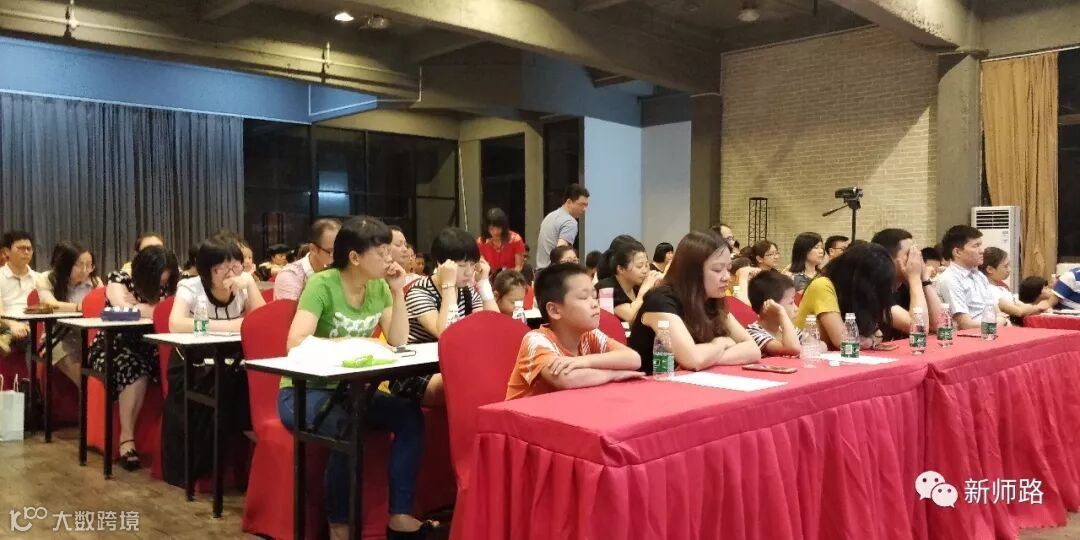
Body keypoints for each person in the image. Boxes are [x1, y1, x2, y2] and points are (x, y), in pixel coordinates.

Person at [278, 216, 431, 540]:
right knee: (347, 429)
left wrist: (397, 291)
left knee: (409, 415)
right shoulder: (322, 284)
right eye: (382, 253)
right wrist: (356, 343)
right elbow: (295, 342)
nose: (390, 259)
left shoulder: (378, 286)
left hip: (351, 390)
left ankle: (399, 514)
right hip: (304, 392)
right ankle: (339, 525)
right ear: (354, 257)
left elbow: (398, 339)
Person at [162, 235, 266, 486]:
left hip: (233, 362)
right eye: (223, 268)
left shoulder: (243, 285)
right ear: (207, 270)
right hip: (193, 365)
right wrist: (232, 325)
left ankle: (262, 451)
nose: (231, 273)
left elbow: (263, 321)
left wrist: (251, 286)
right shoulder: (190, 287)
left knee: (248, 385)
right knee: (230, 388)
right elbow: (176, 323)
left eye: (236, 266)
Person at [87, 245, 178, 470]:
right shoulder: (119, 280)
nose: (162, 284)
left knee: (179, 367)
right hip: (115, 346)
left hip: (154, 346)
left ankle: (174, 443)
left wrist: (144, 307)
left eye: (165, 280)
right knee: (135, 368)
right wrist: (154, 308)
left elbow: (175, 312)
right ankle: (127, 439)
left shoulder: (173, 285)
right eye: (158, 278)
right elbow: (123, 310)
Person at [628, 230, 760, 373]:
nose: (726, 277)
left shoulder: (712, 299)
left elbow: (753, 350)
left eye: (728, 269)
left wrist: (708, 359)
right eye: (717, 270)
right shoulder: (661, 301)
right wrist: (721, 343)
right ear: (692, 271)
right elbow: (692, 359)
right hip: (652, 383)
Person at [506, 263, 642, 400]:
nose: (595, 304)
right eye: (583, 298)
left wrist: (583, 361)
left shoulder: (589, 335)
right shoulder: (536, 340)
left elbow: (634, 359)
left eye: (594, 297)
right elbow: (567, 379)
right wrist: (615, 374)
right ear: (554, 310)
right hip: (521, 413)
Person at [400, 227, 499, 406]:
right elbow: (446, 334)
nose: (469, 272)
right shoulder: (419, 292)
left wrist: (484, 283)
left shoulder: (467, 291)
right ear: (441, 264)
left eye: (472, 264)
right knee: (468, 382)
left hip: (456, 364)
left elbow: (494, 328)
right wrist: (448, 285)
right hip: (419, 371)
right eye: (461, 266)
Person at [795, 242, 896, 350]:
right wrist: (871, 341)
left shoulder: (851, 294)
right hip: (810, 356)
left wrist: (870, 339)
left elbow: (878, 334)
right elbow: (843, 342)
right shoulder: (822, 285)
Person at [35, 241, 104, 386]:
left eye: (89, 265)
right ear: (66, 264)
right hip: (59, 337)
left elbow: (103, 307)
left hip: (89, 337)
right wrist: (82, 307)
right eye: (79, 265)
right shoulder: (48, 278)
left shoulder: (95, 282)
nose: (85, 270)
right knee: (86, 381)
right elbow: (50, 305)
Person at [870, 228, 945, 340]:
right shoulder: (875, 290)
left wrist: (924, 279)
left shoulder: (907, 286)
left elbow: (941, 324)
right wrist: (915, 279)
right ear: (888, 259)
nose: (916, 259)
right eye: (909, 254)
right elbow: (919, 330)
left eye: (916, 254)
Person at [935, 225, 1008, 330]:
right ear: (957, 252)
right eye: (975, 246)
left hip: (992, 330)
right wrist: (998, 322)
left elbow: (996, 311)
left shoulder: (980, 276)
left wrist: (1003, 321)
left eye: (980, 245)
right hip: (972, 335)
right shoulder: (950, 279)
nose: (982, 251)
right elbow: (965, 324)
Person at [594, 240, 663, 323]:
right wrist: (643, 292)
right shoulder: (605, 289)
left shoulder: (636, 286)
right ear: (621, 269)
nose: (645, 270)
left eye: (646, 265)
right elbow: (629, 316)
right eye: (639, 266)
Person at [274, 218, 342, 301]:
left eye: (341, 251)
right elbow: (289, 310)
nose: (338, 257)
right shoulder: (291, 276)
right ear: (313, 249)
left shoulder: (342, 271)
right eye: (331, 251)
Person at [746, 270, 805, 357]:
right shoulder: (753, 333)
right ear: (771, 305)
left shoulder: (785, 329)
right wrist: (782, 313)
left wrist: (803, 349)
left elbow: (820, 345)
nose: (796, 308)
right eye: (791, 302)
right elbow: (792, 348)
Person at [979, 247, 1049, 319]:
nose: (1009, 270)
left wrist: (1037, 308)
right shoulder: (989, 291)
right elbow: (1019, 311)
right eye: (1005, 266)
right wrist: (1040, 306)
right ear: (990, 269)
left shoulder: (1002, 289)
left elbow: (1022, 305)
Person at [536, 183, 589, 270]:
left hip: (541, 272)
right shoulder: (570, 222)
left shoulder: (550, 216)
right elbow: (561, 253)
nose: (584, 209)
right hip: (554, 273)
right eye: (581, 204)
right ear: (569, 202)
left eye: (586, 205)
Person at [477, 207, 526, 275]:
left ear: (504, 227)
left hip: (512, 277)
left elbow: (518, 266)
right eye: (491, 229)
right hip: (491, 278)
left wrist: (505, 278)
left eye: (498, 228)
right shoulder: (481, 242)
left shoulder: (515, 240)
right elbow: (480, 266)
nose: (495, 232)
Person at [1, 231, 39, 317]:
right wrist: (13, 323)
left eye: (29, 249)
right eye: (21, 248)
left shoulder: (38, 278)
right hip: (7, 323)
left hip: (35, 322)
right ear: (7, 251)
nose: (26, 252)